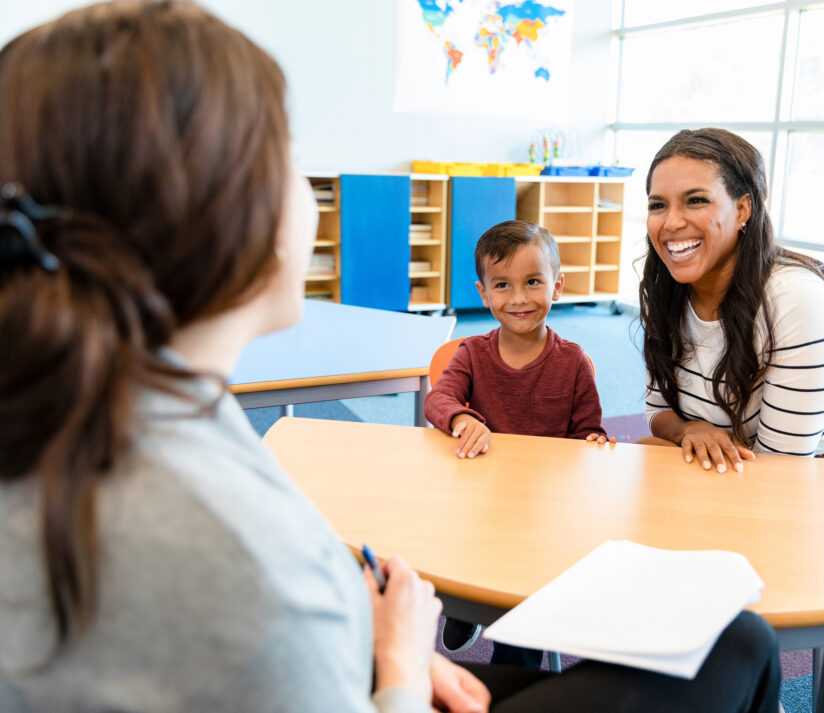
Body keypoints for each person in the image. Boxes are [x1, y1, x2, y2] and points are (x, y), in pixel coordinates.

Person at [0, 4, 781, 712]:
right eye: (289, 159)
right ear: (227, 214)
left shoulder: (106, 405)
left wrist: (379, 650)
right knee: (740, 644)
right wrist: (400, 664)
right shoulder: (229, 558)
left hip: (361, 665)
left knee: (731, 642)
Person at [423, 219, 611, 666]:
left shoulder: (573, 362)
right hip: (481, 501)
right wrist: (462, 418)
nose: (520, 298)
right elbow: (440, 399)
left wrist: (594, 443)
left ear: (557, 286)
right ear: (484, 294)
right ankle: (464, 604)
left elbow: (589, 432)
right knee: (451, 546)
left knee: (521, 614)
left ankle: (512, 659)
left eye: (533, 282)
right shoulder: (472, 353)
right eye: (502, 285)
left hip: (544, 510)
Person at [640, 128, 824, 472]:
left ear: (742, 209)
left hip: (821, 470)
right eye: (658, 205)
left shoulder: (796, 299)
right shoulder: (665, 286)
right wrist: (691, 428)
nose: (672, 222)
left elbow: (780, 466)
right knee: (642, 457)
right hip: (733, 462)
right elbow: (658, 410)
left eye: (696, 200)